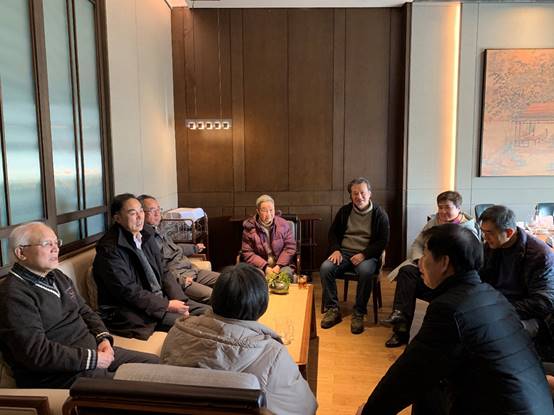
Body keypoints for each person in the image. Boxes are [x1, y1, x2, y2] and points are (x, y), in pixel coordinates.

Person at [357, 224, 553, 415]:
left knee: (427, 379)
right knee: (432, 382)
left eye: (425, 255)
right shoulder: (492, 295)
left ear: (444, 263)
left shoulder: (449, 308)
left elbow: (409, 373)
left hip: (506, 407)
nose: (419, 262)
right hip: (536, 403)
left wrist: (370, 411)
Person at [0, 222, 159, 389]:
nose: (55, 249)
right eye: (47, 244)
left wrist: (103, 338)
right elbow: (36, 353)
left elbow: (85, 311)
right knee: (146, 386)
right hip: (59, 375)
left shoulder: (57, 276)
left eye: (56, 243)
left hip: (92, 354)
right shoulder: (13, 295)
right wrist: (93, 359)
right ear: (21, 253)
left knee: (154, 364)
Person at [161, 263, 317, 415]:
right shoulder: (273, 354)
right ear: (262, 305)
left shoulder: (176, 332)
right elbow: (305, 407)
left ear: (214, 297)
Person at [93, 193, 208, 340]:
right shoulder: (109, 250)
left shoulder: (146, 234)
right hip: (136, 311)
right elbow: (128, 291)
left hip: (161, 300)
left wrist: (180, 300)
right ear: (117, 218)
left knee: (209, 313)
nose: (139, 217)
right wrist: (167, 305)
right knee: (198, 328)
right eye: (132, 213)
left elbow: (164, 270)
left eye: (141, 211)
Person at [381, 190, 479, 347]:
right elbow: (418, 243)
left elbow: (465, 263)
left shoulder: (467, 231)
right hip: (430, 273)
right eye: (440, 207)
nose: (443, 212)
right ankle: (400, 326)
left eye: (447, 207)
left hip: (450, 282)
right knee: (407, 272)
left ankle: (433, 335)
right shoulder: (434, 222)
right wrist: (421, 260)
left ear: (458, 208)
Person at [320, 177, 389, 334]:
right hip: (344, 252)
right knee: (325, 268)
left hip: (367, 254)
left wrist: (364, 254)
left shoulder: (379, 214)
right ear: (351, 195)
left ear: (370, 193)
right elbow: (333, 233)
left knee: (366, 272)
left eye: (362, 193)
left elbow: (383, 241)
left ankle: (359, 312)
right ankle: (333, 309)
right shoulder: (345, 211)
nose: (359, 197)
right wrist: (335, 249)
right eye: (355, 193)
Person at [479, 205, 554, 340]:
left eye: (489, 233)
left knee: (490, 333)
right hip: (498, 305)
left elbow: (543, 302)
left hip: (528, 314)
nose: (485, 237)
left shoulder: (539, 255)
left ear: (508, 232)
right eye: (483, 232)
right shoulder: (492, 246)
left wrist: (499, 310)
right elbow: (481, 277)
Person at [138, 194, 219, 304]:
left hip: (191, 269)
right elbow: (159, 270)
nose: (157, 214)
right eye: (152, 210)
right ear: (141, 213)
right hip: (181, 278)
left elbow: (175, 248)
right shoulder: (144, 240)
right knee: (213, 296)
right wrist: (180, 280)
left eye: (158, 209)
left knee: (226, 281)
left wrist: (194, 248)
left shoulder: (159, 230)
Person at [241, 194, 296, 279]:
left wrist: (278, 266)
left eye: (271, 210)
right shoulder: (249, 228)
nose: (269, 214)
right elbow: (248, 253)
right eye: (264, 210)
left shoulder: (283, 224)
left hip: (282, 264)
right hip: (260, 266)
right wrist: (265, 267)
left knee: (285, 276)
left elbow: (290, 247)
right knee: (258, 278)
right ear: (258, 211)